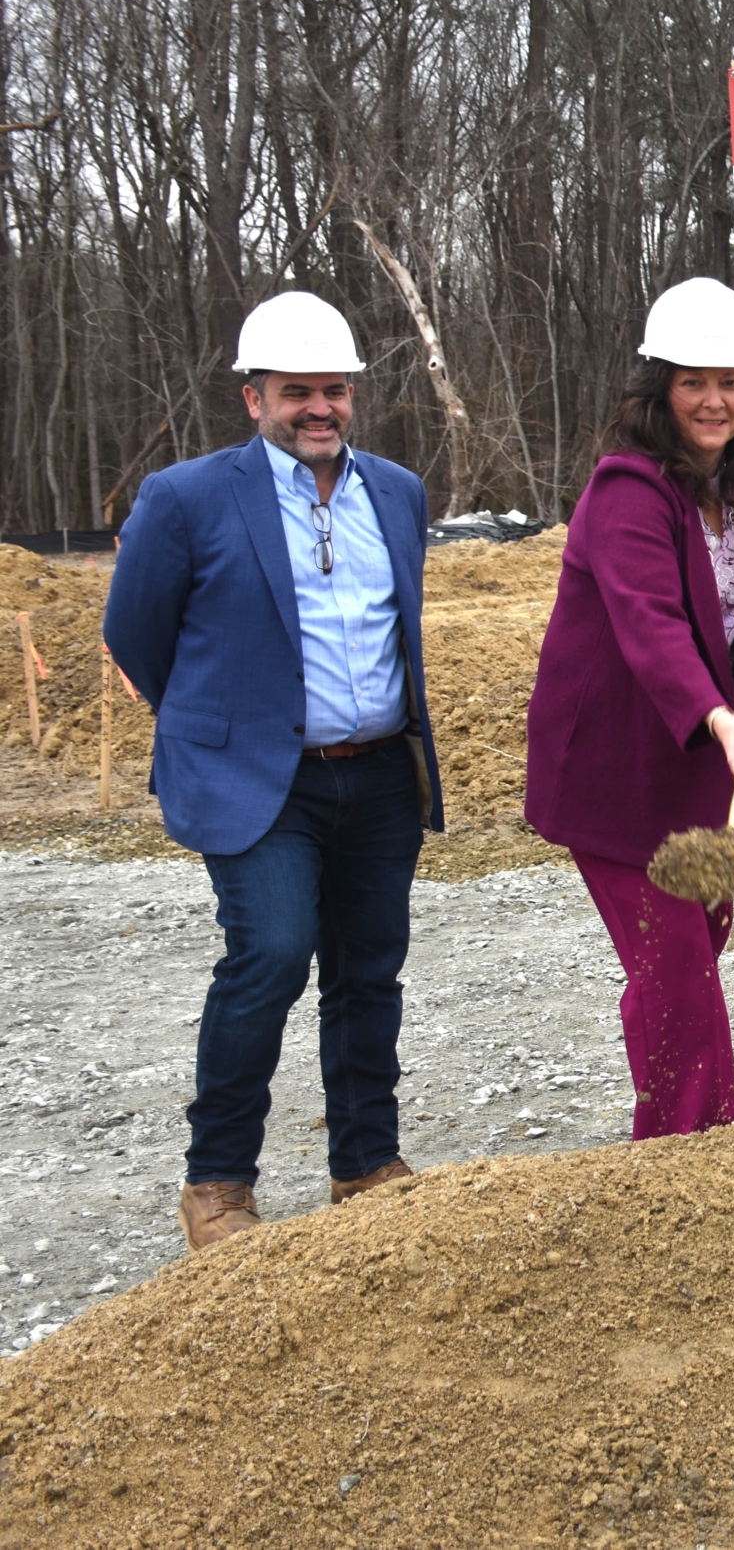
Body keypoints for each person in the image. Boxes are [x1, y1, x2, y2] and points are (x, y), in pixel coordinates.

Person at [103, 291, 444, 1250]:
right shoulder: (188, 498)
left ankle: (365, 1162)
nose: (319, 408)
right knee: (271, 954)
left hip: (379, 774)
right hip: (262, 780)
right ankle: (217, 1181)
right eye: (297, 392)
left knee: (369, 968)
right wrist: (219, 722)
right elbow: (136, 632)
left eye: (335, 390)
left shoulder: (397, 492)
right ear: (253, 398)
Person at [523, 278, 734, 1138]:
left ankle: (673, 1124)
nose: (714, 400)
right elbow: (648, 622)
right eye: (694, 382)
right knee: (677, 963)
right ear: (660, 388)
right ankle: (694, 1147)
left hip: (700, 760)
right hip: (616, 767)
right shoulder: (627, 490)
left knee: (688, 951)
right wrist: (717, 716)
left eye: (730, 381)